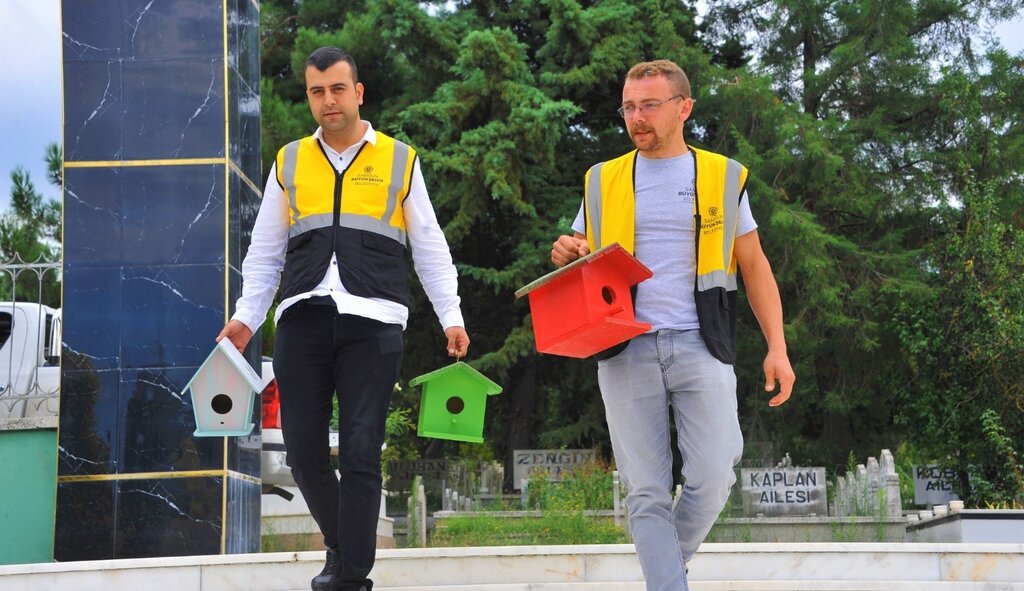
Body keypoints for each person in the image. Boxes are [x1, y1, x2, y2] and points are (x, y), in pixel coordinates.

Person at [218, 47, 469, 591]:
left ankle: (350, 575)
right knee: (302, 453)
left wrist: (450, 315)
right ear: (309, 97)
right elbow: (264, 251)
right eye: (317, 91)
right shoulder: (288, 161)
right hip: (301, 316)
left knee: (360, 450)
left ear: (358, 93)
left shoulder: (400, 160)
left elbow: (430, 247)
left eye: (337, 89)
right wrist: (246, 318)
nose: (328, 100)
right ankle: (344, 548)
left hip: (374, 321)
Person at [551, 60, 795, 591]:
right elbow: (578, 250)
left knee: (714, 474)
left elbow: (754, 266)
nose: (636, 118)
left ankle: (665, 569)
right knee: (646, 491)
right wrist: (565, 250)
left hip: (701, 343)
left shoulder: (723, 176)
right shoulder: (602, 179)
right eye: (628, 107)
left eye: (649, 105)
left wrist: (777, 346)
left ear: (684, 108)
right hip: (625, 346)